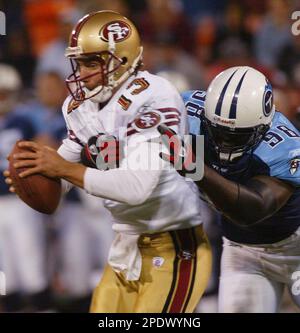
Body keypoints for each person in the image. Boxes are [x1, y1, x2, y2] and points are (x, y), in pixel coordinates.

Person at [4, 11, 211, 313]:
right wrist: (33, 176)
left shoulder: (154, 95)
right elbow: (60, 177)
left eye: (92, 62)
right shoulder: (80, 105)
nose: (82, 73)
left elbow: (136, 188)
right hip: (125, 245)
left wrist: (62, 169)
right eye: (79, 63)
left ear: (123, 59)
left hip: (174, 247)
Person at [159, 66, 300, 312]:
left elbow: (252, 210)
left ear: (263, 126)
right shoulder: (186, 112)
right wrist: (105, 152)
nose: (224, 143)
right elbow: (138, 138)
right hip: (242, 249)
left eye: (236, 136)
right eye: (218, 132)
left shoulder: (284, 147)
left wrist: (198, 170)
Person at [0, 64, 51, 312]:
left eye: (3, 92)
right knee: (6, 268)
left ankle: (41, 305)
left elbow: (45, 149)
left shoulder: (23, 119)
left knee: (30, 260)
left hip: (21, 198)